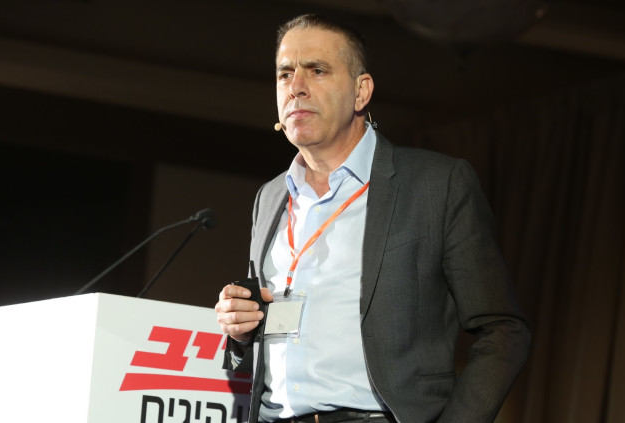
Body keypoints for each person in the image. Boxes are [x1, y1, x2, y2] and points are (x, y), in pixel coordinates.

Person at [215, 13, 531, 423]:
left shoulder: (436, 185)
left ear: (361, 91)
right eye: (285, 74)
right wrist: (242, 332)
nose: (296, 87)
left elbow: (503, 330)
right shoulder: (271, 196)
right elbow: (269, 335)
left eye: (317, 70)